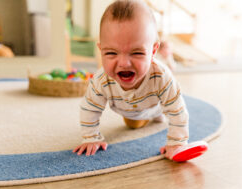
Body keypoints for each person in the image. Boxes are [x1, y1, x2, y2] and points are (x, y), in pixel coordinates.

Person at [73, 0, 189, 160]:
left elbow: (177, 111)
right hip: (124, 108)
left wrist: (176, 142)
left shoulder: (162, 77)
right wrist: (91, 138)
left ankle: (156, 116)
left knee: (160, 113)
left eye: (137, 53)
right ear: (101, 51)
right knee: (133, 124)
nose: (124, 63)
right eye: (111, 53)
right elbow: (89, 108)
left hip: (154, 105)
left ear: (153, 51)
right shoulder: (101, 80)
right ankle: (141, 117)